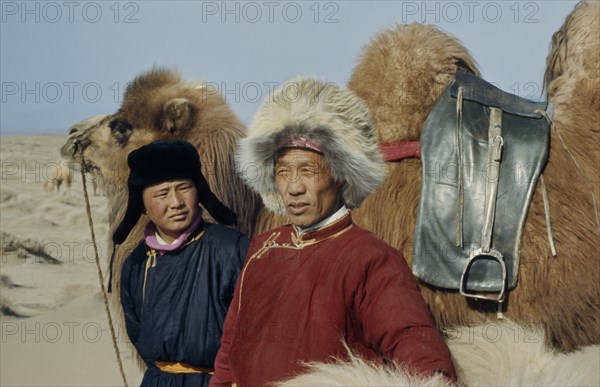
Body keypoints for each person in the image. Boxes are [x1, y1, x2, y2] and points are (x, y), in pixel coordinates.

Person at [210, 79, 457, 386]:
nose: (294, 187)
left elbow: (416, 348)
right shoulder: (263, 248)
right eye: (283, 171)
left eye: (308, 170)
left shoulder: (372, 259)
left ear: (340, 174)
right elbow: (229, 352)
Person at [113, 140, 249, 386]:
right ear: (142, 204)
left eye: (184, 188)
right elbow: (137, 331)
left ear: (199, 190)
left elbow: (253, 328)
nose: (176, 202)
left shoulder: (232, 248)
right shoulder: (136, 264)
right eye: (162, 193)